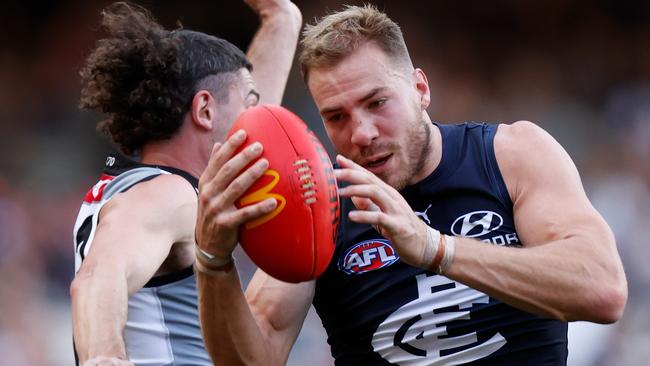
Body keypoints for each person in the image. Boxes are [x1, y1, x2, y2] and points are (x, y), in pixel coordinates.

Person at [194, 4, 628, 366]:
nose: (361, 133)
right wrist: (212, 260)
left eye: (377, 102)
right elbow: (253, 359)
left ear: (420, 89)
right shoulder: (319, 205)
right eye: (337, 117)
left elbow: (602, 290)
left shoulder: (509, 153)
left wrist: (436, 249)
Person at [70, 1, 301, 365]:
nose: (259, 118)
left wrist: (283, 20)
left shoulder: (147, 184)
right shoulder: (169, 195)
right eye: (250, 103)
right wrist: (104, 356)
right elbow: (100, 275)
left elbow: (249, 138)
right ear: (205, 110)